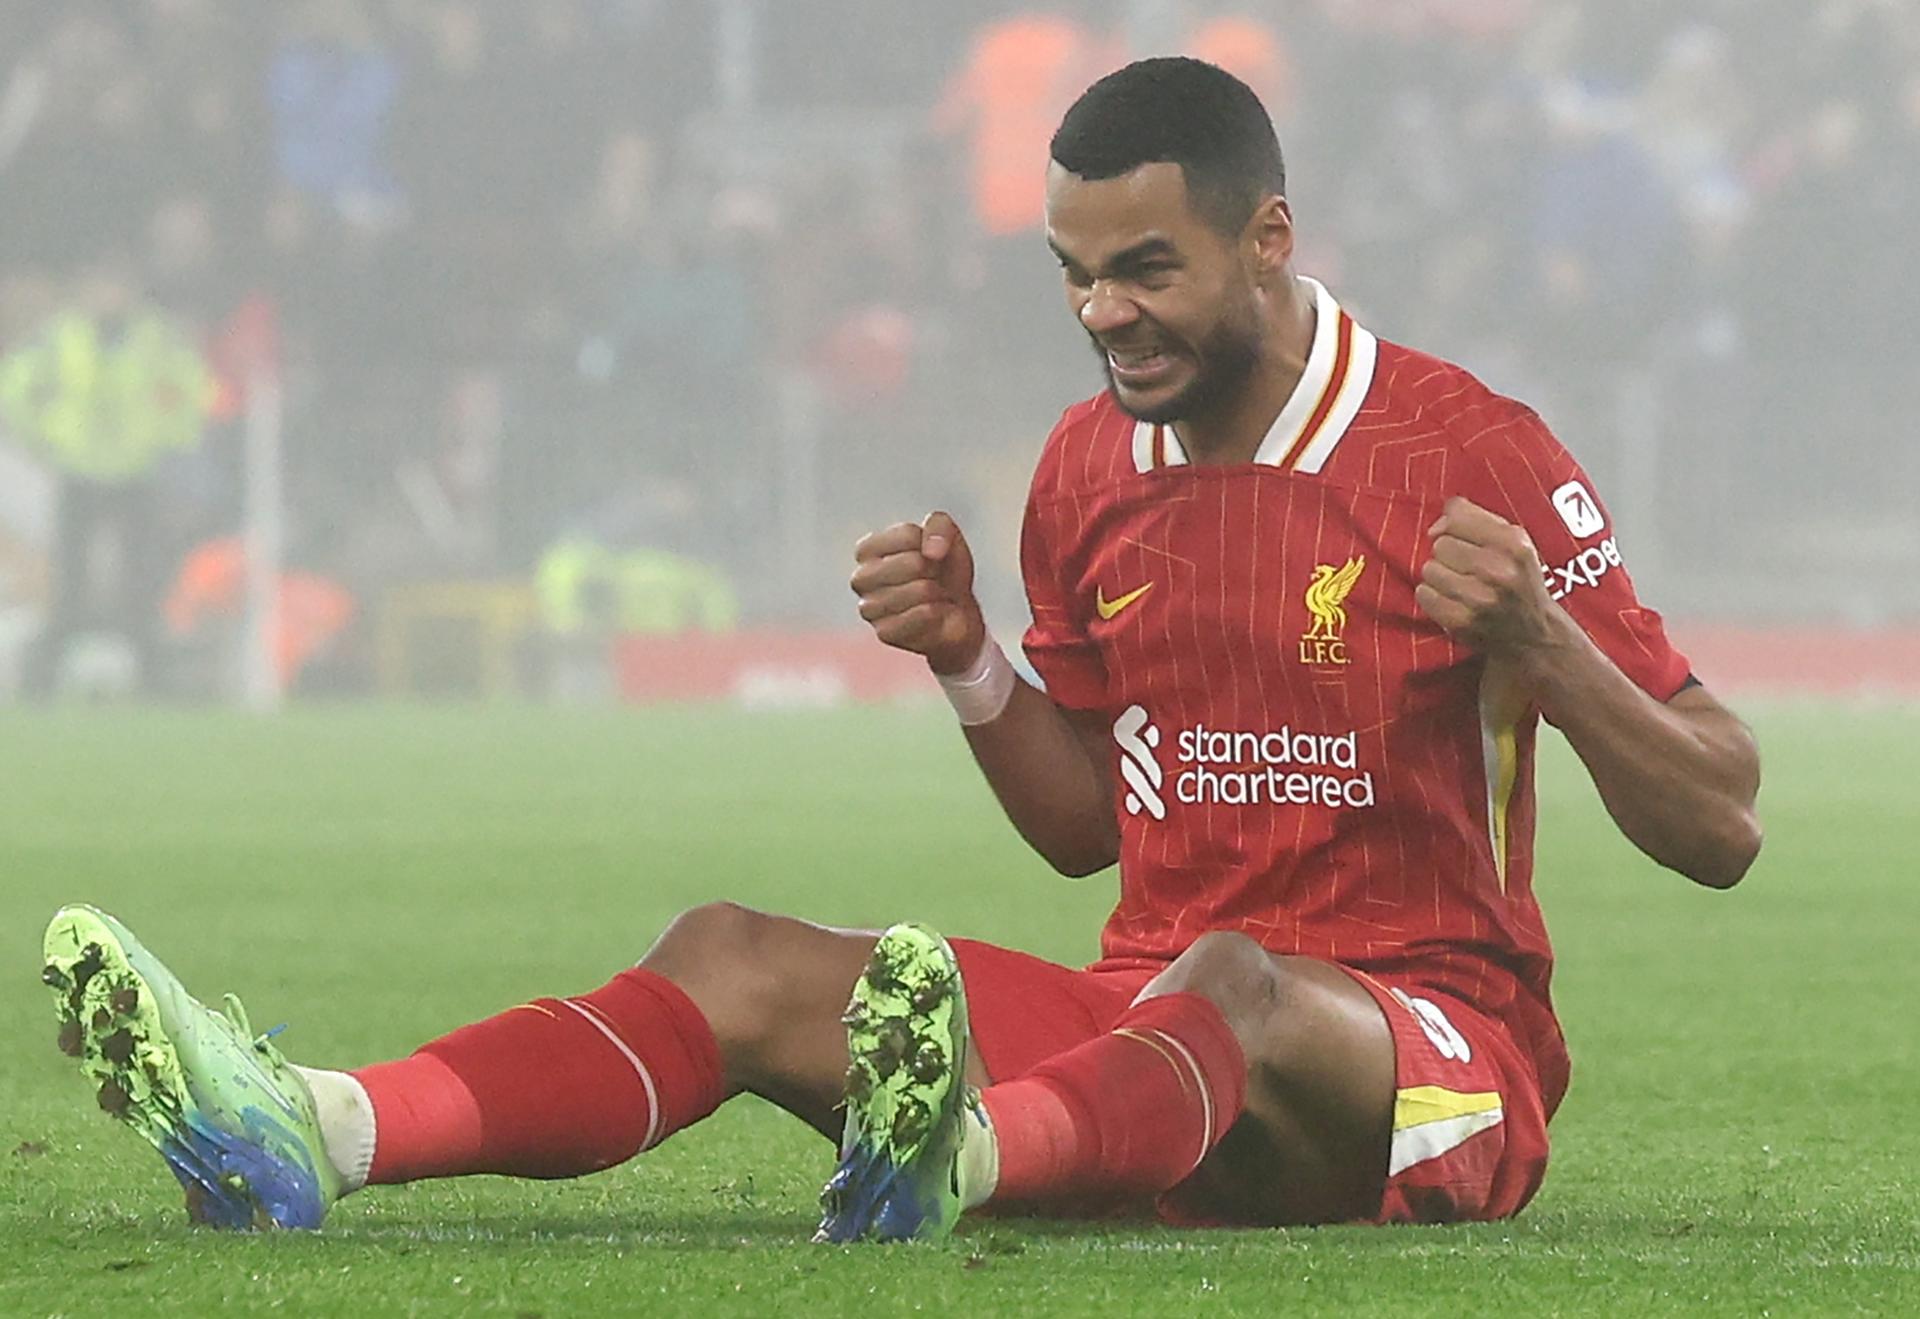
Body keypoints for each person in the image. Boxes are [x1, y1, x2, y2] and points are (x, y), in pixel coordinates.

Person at [42, 58, 1761, 1239]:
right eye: (1074, 275)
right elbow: (1093, 827)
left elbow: (1723, 825)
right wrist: (969, 666)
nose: (1104, 316)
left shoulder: (1462, 448)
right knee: (731, 951)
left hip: (1426, 1065)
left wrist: (1549, 641)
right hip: (1145, 1047)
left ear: (1270, 240)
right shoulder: (1089, 473)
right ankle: (314, 1133)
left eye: (1146, 271)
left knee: (1230, 977)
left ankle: (961, 1157)